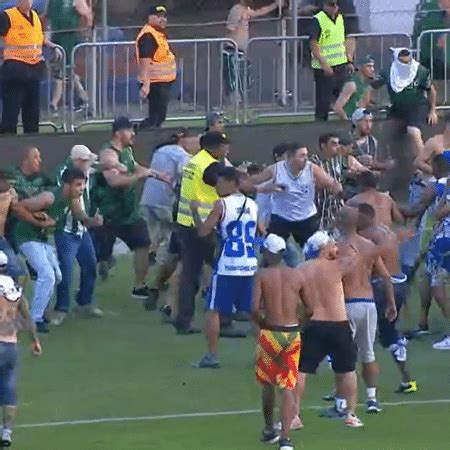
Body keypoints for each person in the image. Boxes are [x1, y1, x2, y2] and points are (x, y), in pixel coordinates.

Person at [322, 206, 396, 417]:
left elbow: (329, 279)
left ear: (341, 222)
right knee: (368, 354)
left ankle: (340, 403)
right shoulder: (369, 246)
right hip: (369, 304)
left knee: (342, 356)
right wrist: (390, 302)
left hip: (347, 305)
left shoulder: (338, 248)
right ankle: (372, 399)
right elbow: (385, 276)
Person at [192, 167, 262, 368]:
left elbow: (204, 232)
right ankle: (266, 354)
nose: (217, 186)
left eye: (220, 182)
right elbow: (262, 229)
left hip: (227, 267)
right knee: (253, 312)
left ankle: (212, 355)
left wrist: (195, 213)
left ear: (232, 182)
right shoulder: (252, 204)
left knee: (213, 310)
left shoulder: (221, 205)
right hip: (248, 265)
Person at [94, 117, 168, 298]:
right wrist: (139, 176)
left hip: (128, 212)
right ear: (119, 133)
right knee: (99, 254)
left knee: (143, 243)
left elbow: (135, 167)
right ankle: (102, 264)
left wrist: (156, 174)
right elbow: (114, 181)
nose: (133, 134)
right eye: (130, 130)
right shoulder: (108, 154)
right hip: (108, 213)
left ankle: (139, 286)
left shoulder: (126, 151)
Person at [296, 231, 363, 428]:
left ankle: (294, 416)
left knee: (301, 370)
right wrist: (342, 244)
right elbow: (355, 255)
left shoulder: (301, 269)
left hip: (313, 324)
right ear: (324, 248)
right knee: (348, 370)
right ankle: (351, 414)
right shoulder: (336, 266)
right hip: (338, 324)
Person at [13, 168, 87, 333]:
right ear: (67, 185)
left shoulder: (71, 200)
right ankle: (35, 319)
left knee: (57, 276)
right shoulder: (49, 197)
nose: (82, 188)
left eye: (83, 184)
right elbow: (18, 208)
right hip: (27, 237)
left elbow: (80, 216)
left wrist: (93, 221)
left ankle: (35, 310)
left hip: (42, 240)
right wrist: (38, 223)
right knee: (47, 275)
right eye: (78, 184)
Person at [357, 203, 418, 393]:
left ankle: (347, 386)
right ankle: (407, 379)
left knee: (357, 331)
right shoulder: (386, 231)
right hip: (399, 283)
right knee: (388, 332)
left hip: (383, 286)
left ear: (363, 217)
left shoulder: (366, 236)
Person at [175, 132, 231, 334]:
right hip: (204, 226)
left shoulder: (194, 161)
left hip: (186, 223)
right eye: (225, 145)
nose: (227, 149)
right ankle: (223, 320)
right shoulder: (210, 166)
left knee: (190, 273)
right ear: (215, 147)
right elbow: (225, 188)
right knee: (223, 271)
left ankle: (183, 320)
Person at [252, 234, 303, 449]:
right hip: (292, 333)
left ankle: (268, 429)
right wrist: (300, 323)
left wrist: (264, 323)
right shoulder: (296, 275)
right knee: (288, 386)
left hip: (271, 333)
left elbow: (253, 309)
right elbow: (309, 307)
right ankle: (285, 438)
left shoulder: (262, 275)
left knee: (267, 384)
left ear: (269, 253)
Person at [249, 143, 343, 249]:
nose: (306, 159)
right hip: (282, 216)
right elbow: (255, 180)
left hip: (306, 216)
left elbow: (332, 183)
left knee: (316, 249)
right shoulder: (276, 169)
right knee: (271, 248)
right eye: (302, 156)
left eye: (306, 155)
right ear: (290, 157)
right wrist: (252, 185)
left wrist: (338, 195)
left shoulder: (312, 168)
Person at [50, 145, 104, 326]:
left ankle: (84, 301)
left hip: (82, 229)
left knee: (89, 264)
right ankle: (61, 308)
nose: (90, 165)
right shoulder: (65, 175)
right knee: (66, 268)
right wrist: (89, 219)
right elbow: (72, 201)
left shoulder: (85, 173)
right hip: (66, 230)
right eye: (87, 161)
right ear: (78, 161)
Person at [401, 155, 450, 348]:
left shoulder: (437, 186)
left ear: (438, 167)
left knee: (437, 284)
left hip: (443, 240)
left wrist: (387, 204)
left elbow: (416, 209)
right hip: (438, 239)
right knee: (427, 278)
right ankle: (423, 323)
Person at [0, 0, 63, 134]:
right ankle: (7, 144)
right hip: (15, 69)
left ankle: (32, 141)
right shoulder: (7, 16)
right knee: (11, 111)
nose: (27, 2)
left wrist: (52, 46)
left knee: (32, 113)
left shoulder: (35, 16)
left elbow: (39, 37)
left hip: (34, 69)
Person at [0, 250, 42, 448]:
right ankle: (7, 432)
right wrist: (35, 341)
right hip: (10, 345)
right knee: (9, 391)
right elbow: (27, 318)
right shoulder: (15, 288)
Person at [140, 129, 199, 268]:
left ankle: (149, 258)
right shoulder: (181, 154)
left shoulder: (160, 150)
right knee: (171, 235)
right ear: (183, 138)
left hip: (148, 197)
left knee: (150, 237)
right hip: (165, 200)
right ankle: (163, 267)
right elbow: (186, 173)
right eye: (196, 140)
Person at [402, 112, 450, 279]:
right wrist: (439, 174)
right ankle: (407, 264)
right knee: (417, 225)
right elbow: (418, 162)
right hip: (425, 186)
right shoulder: (435, 142)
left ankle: (436, 260)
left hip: (444, 189)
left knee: (438, 224)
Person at [371, 48, 438, 157]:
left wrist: (432, 110)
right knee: (385, 132)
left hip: (417, 107)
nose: (406, 64)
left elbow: (431, 91)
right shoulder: (388, 72)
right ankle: (381, 162)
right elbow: (370, 87)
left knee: (413, 132)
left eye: (408, 61)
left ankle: (424, 163)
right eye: (403, 62)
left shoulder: (420, 71)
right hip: (397, 108)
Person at [0, 174, 56, 283]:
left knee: (18, 275)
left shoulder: (10, 194)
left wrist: (39, 219)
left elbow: (19, 208)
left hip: (3, 240)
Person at [223, 0, 282, 98]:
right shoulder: (237, 10)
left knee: (242, 79)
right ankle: (234, 104)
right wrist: (240, 23)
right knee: (233, 80)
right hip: (232, 50)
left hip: (239, 50)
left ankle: (239, 102)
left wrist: (275, 5)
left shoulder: (245, 10)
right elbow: (230, 28)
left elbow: (259, 12)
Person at [45, 0, 91, 115]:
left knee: (62, 69)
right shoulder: (52, 2)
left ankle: (54, 103)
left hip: (69, 38)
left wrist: (87, 31)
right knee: (67, 70)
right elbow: (47, 17)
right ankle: (84, 97)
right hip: (56, 37)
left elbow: (87, 14)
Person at [310, 0, 354, 121]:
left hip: (341, 65)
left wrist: (349, 61)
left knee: (346, 96)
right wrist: (324, 64)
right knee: (323, 102)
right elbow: (314, 44)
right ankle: (320, 129)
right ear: (324, 5)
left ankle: (348, 124)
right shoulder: (318, 19)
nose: (334, 7)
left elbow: (345, 40)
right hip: (324, 68)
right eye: (331, 4)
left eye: (336, 4)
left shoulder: (340, 19)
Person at [136, 4, 176, 129]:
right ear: (149, 18)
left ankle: (142, 133)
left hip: (162, 82)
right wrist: (146, 84)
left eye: (164, 16)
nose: (162, 19)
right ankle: (137, 132)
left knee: (158, 117)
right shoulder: (148, 35)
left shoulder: (157, 33)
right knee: (156, 117)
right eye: (158, 16)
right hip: (155, 83)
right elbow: (145, 61)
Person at [310, 133, 344, 229]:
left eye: (338, 144)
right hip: (320, 205)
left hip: (336, 205)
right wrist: (330, 184)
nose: (337, 147)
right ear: (323, 146)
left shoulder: (338, 160)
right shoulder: (314, 162)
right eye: (333, 144)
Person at [334, 55, 375, 121]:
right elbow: (337, 108)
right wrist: (348, 121)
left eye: (373, 66)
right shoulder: (352, 84)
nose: (372, 69)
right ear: (359, 67)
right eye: (368, 66)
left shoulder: (365, 84)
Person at [337, 133, 368, 200]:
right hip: (342, 189)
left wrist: (358, 170)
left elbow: (364, 170)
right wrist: (348, 173)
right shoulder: (334, 159)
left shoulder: (349, 158)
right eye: (349, 146)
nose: (351, 147)